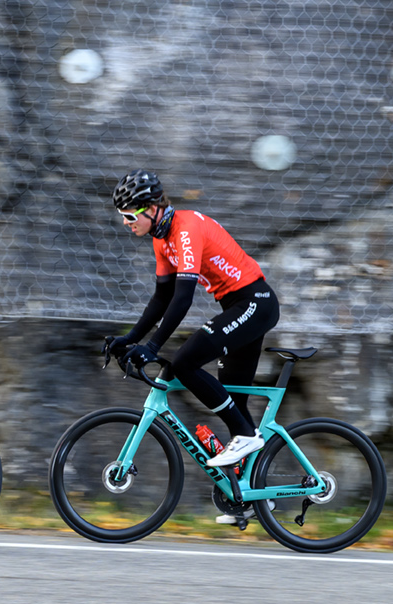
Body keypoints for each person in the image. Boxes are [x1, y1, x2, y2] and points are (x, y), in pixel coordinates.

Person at [107, 169, 281, 483]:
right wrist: (131, 338)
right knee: (233, 398)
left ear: (151, 209)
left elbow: (183, 297)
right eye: (123, 216)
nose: (126, 223)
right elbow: (162, 297)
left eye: (130, 216)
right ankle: (252, 493)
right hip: (240, 306)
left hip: (254, 303)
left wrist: (153, 346)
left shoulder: (185, 229)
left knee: (185, 363)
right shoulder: (161, 240)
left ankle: (244, 435)